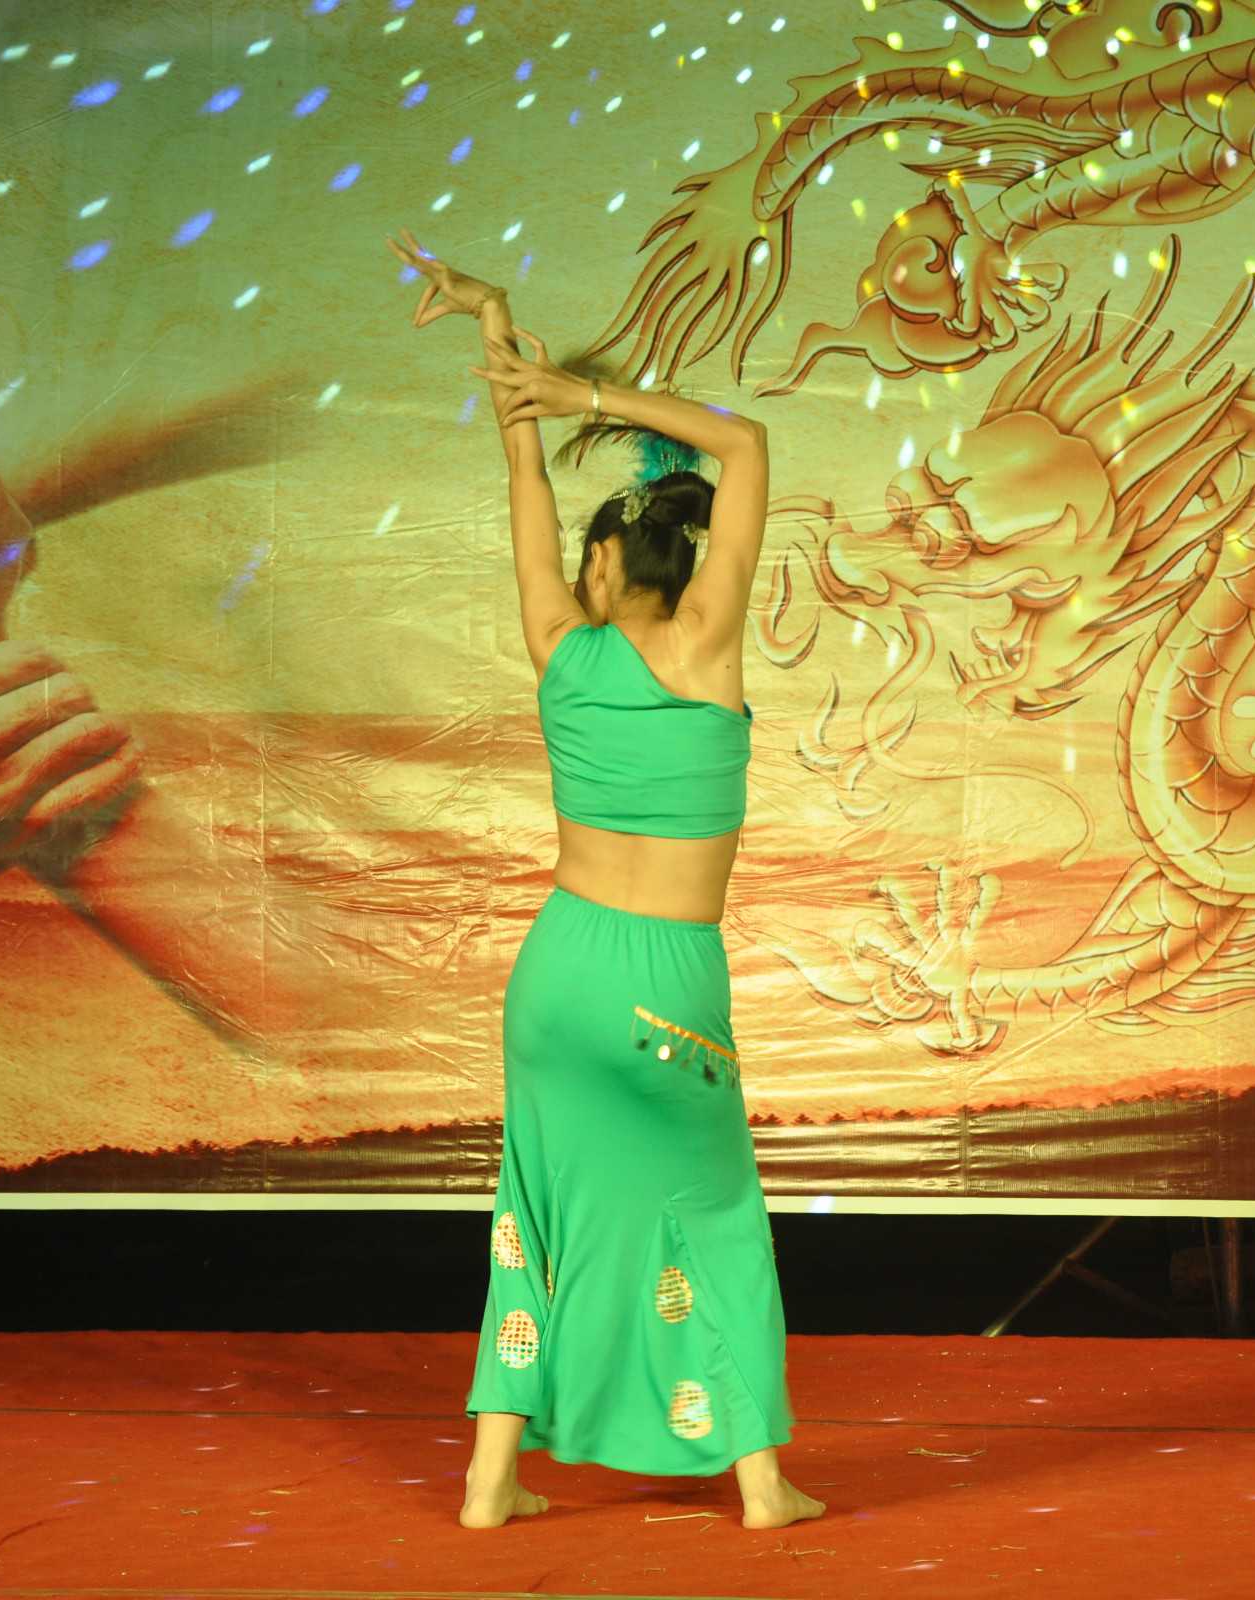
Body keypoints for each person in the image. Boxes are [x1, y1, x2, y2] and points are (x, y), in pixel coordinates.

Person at [387, 229, 825, 1532]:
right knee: (711, 1212)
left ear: (601, 566)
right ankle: (758, 1484)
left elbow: (518, 478)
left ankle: (489, 1480)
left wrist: (500, 335)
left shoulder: (559, 649)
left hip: (558, 969)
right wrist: (586, 393)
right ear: (685, 566)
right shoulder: (705, 651)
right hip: (660, 986)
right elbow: (744, 445)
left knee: (535, 1215)